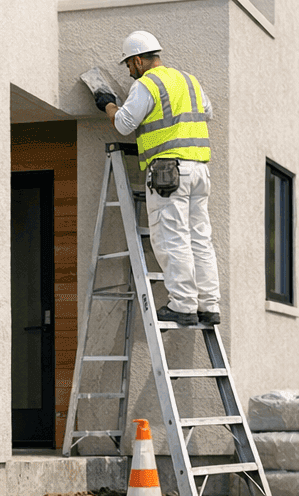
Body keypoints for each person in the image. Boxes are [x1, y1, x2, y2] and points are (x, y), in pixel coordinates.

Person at [91, 31, 220, 328]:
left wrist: (108, 104)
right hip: (199, 169)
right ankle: (208, 304)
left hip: (169, 172)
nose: (128, 72)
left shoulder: (147, 84)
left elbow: (124, 124)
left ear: (138, 60)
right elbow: (207, 113)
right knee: (199, 237)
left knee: (171, 237)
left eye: (128, 66)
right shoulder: (189, 81)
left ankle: (184, 305)